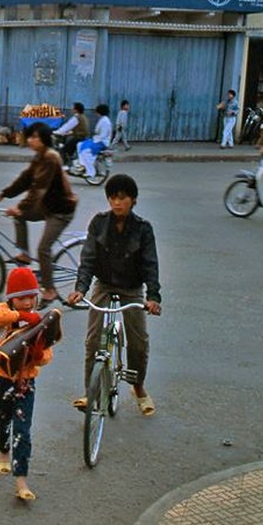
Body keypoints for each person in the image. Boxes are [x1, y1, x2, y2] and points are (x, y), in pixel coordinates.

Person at [67, 174, 162, 415]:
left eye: (122, 198)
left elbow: (150, 264)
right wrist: (80, 289)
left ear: (133, 200)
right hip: (104, 284)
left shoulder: (143, 228)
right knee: (92, 340)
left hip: (131, 288)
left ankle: (138, 388)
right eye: (112, 198)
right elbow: (88, 258)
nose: (117, 203)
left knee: (138, 340)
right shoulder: (99, 223)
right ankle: (91, 393)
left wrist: (153, 297)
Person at [0, 268, 58, 501]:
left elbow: (48, 355)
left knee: (22, 431)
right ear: (11, 299)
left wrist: (39, 354)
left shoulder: (41, 321)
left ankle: (21, 481)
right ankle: (3, 453)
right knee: (1, 418)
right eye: (21, 298)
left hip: (26, 383)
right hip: (1, 379)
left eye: (31, 297)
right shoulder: (3, 313)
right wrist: (21, 317)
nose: (27, 302)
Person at [0, 122, 78, 302]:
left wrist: (20, 207)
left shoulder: (51, 158)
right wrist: (2, 195)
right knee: (18, 216)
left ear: (44, 139)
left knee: (43, 249)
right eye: (30, 136)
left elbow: (39, 189)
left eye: (35, 137)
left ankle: (50, 289)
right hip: (47, 206)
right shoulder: (39, 157)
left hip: (61, 209)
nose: (31, 140)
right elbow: (25, 180)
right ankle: (24, 254)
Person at [77, 104, 113, 178]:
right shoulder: (103, 119)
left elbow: (103, 135)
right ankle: (82, 165)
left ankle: (90, 172)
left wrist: (94, 140)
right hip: (98, 140)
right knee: (80, 144)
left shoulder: (105, 121)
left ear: (99, 112)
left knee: (85, 151)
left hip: (101, 142)